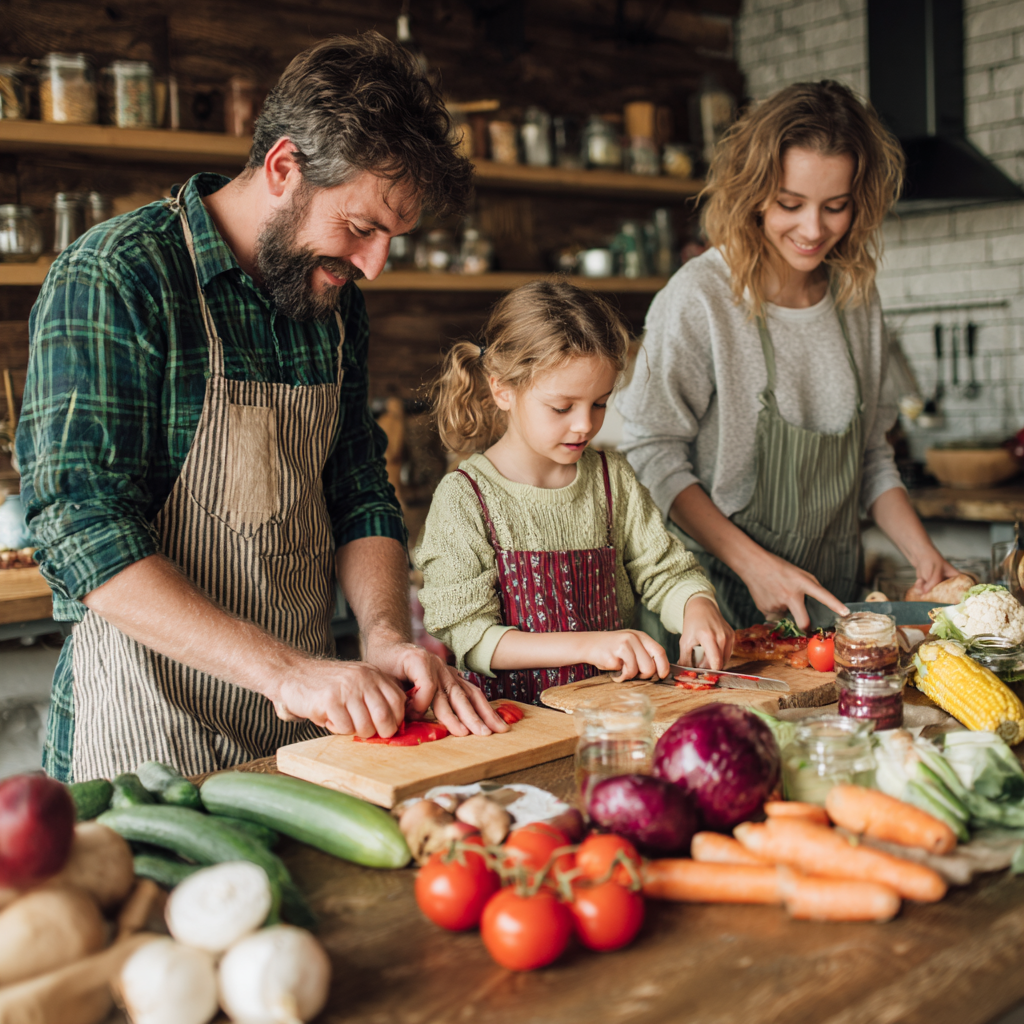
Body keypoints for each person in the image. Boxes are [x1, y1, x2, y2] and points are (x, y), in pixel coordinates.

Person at [17, 33, 507, 784]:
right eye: (363, 227)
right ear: (284, 168)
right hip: (144, 730)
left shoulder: (333, 299)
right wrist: (285, 672)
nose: (372, 264)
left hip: (299, 727)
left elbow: (357, 485)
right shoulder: (118, 276)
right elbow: (79, 527)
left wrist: (382, 635)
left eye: (391, 240)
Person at [616, 80, 958, 641]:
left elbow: (872, 454)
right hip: (714, 603)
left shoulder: (855, 294)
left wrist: (926, 557)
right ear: (753, 192)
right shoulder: (701, 296)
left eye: (836, 207)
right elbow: (653, 455)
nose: (813, 230)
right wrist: (754, 564)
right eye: (790, 204)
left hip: (832, 601)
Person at [415, 280, 734, 705]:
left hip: (612, 715)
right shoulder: (465, 498)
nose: (584, 424)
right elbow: (471, 638)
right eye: (562, 407)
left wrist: (697, 606)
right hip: (517, 726)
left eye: (599, 403)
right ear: (502, 389)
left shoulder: (612, 479)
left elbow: (666, 572)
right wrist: (591, 645)